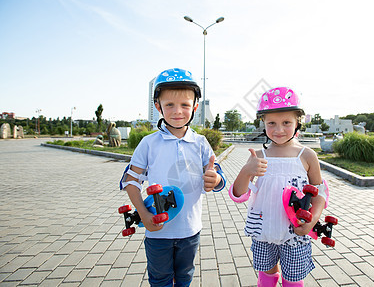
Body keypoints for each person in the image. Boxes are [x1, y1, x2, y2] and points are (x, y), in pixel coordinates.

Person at [120, 68, 226, 287]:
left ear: (195, 107)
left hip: (190, 230)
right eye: (169, 105)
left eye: (185, 105)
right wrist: (144, 215)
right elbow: (130, 181)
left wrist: (214, 180)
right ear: (158, 107)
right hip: (158, 231)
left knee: (185, 276)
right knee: (160, 280)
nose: (178, 111)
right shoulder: (149, 143)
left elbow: (218, 176)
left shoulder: (201, 143)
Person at [229, 87, 329, 287]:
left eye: (286, 123)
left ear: (297, 122)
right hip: (263, 229)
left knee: (293, 279)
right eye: (271, 123)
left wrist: (312, 221)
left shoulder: (307, 155)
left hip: (296, 231)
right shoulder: (259, 156)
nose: (279, 130)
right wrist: (247, 170)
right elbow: (238, 193)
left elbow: (319, 193)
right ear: (263, 123)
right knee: (266, 274)